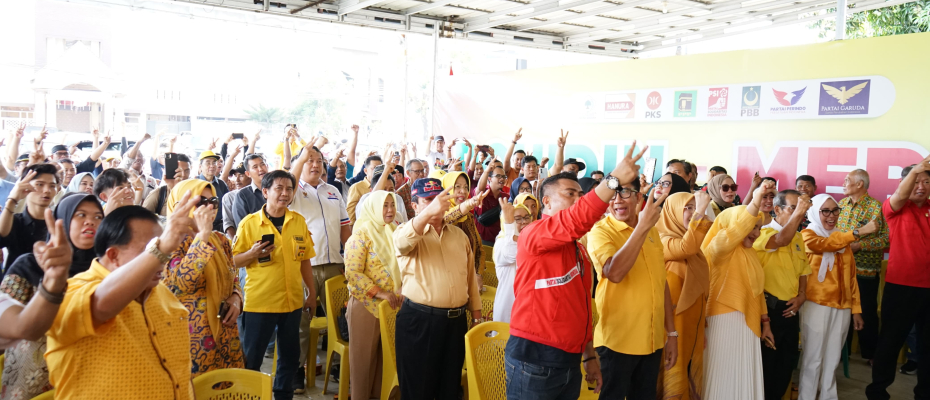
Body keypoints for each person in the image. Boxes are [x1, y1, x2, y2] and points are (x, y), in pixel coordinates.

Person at [505, 143, 646, 400]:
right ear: (545, 200)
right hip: (534, 359)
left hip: (569, 360)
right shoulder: (533, 233)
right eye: (570, 194)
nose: (578, 200)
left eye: (581, 194)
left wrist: (589, 355)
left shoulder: (577, 250)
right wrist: (613, 181)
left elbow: (582, 308)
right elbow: (577, 218)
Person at [46, 200, 198, 399]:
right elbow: (100, 306)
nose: (163, 259)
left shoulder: (164, 294)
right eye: (150, 248)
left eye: (163, 249)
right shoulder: (70, 291)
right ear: (113, 255)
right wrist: (159, 251)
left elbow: (181, 374)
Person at [0, 193, 102, 399]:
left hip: (89, 379)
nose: (90, 221)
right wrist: (53, 280)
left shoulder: (106, 268)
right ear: (60, 222)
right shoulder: (30, 265)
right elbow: (10, 326)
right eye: (80, 214)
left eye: (99, 217)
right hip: (33, 378)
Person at [393, 178, 483, 399]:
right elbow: (403, 244)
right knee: (418, 390)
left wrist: (477, 315)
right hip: (420, 322)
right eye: (428, 200)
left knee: (450, 389)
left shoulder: (459, 236)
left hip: (456, 323)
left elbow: (470, 278)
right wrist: (428, 214)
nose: (436, 205)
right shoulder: (405, 232)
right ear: (414, 205)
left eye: (439, 200)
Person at [587, 177, 675, 400]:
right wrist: (642, 228)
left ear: (639, 196)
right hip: (618, 341)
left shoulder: (652, 232)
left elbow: (660, 281)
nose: (617, 200)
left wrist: (671, 332)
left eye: (624, 192)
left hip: (652, 339)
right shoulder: (600, 231)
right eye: (612, 194)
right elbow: (614, 273)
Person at [232, 170, 316, 400]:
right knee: (253, 357)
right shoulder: (249, 224)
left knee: (289, 356)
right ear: (265, 192)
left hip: (292, 303)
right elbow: (234, 260)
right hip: (260, 303)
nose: (285, 193)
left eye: (289, 189)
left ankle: (283, 395)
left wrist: (312, 292)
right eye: (279, 188)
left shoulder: (297, 221)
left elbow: (305, 258)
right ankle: (250, 395)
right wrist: (252, 253)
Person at [700, 181, 776, 400]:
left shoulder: (749, 253)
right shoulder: (719, 246)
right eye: (752, 227)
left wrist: (766, 323)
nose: (756, 233)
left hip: (748, 322)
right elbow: (737, 229)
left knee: (742, 373)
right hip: (723, 320)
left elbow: (757, 291)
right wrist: (757, 197)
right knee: (723, 374)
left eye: (759, 228)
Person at [163, 180, 244, 377]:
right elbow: (182, 283)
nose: (209, 207)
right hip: (192, 337)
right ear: (180, 204)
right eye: (201, 202)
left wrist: (236, 298)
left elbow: (233, 277)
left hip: (225, 332)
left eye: (213, 201)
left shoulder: (222, 240)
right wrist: (202, 237)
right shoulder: (170, 242)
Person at [287, 144, 351, 392]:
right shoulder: (291, 190)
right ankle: (296, 371)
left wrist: (353, 260)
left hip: (335, 265)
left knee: (341, 319)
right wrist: (299, 161)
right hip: (305, 267)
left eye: (318, 160)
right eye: (308, 160)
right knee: (301, 322)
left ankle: (337, 366)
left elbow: (346, 229)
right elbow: (290, 182)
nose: (315, 165)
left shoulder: (332, 190)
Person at [867, 157, 930, 400]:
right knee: (890, 343)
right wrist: (916, 170)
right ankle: (878, 391)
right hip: (902, 287)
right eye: (916, 182)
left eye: (926, 182)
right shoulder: (895, 207)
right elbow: (901, 196)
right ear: (904, 183)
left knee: (927, 347)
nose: (921, 187)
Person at [799, 193, 873, 400]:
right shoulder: (807, 235)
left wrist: (856, 310)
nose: (831, 216)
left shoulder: (842, 238)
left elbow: (852, 279)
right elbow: (825, 245)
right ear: (815, 212)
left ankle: (828, 397)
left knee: (832, 358)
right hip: (816, 304)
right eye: (826, 211)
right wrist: (857, 232)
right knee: (813, 358)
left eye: (835, 210)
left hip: (842, 307)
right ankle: (807, 396)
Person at [752, 189, 812, 400]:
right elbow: (780, 241)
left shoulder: (798, 237)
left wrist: (803, 294)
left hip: (792, 309)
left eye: (801, 208)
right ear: (777, 210)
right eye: (793, 208)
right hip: (769, 311)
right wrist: (799, 214)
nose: (800, 213)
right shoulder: (764, 233)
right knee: (767, 366)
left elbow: (804, 269)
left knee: (787, 364)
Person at [344, 191, 402, 400]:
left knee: (385, 362)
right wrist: (381, 293)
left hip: (392, 307)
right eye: (384, 205)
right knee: (363, 364)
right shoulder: (360, 236)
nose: (389, 210)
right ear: (373, 208)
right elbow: (353, 273)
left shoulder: (395, 231)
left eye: (391, 205)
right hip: (366, 306)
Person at [656, 191, 713, 400]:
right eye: (686, 208)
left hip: (692, 327)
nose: (691, 212)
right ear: (672, 212)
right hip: (672, 329)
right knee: (673, 375)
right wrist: (700, 211)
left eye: (694, 207)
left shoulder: (696, 251)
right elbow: (685, 248)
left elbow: (701, 293)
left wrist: (702, 327)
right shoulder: (661, 239)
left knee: (689, 375)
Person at [836, 169, 889, 362]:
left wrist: (861, 245)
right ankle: (843, 353)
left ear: (859, 184)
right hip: (840, 269)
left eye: (847, 180)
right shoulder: (841, 205)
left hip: (864, 270)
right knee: (842, 311)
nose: (843, 183)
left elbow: (887, 239)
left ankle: (870, 354)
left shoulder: (876, 207)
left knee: (866, 311)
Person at [1, 164, 59, 275]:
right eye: (40, 184)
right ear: (25, 187)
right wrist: (12, 200)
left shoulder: (60, 221)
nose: (47, 190)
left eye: (52, 186)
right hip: (15, 284)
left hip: (51, 284)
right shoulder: (14, 221)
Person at [492, 198, 534, 323]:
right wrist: (510, 223)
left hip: (530, 307)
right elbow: (512, 253)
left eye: (527, 217)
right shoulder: (502, 242)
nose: (524, 222)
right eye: (518, 219)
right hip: (509, 308)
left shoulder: (532, 242)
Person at [441, 171, 489, 280]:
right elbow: (446, 220)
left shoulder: (468, 218)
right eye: (457, 186)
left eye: (466, 187)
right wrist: (468, 204)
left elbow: (479, 250)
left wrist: (478, 274)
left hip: (469, 281)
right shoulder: (437, 217)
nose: (463, 191)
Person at [473, 162, 510, 244]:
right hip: (481, 241)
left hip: (499, 241)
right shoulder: (483, 194)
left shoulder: (506, 197)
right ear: (489, 178)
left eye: (504, 177)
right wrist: (486, 171)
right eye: (498, 176)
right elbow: (479, 189)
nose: (502, 179)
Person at [231, 153, 270, 229]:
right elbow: (242, 226)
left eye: (262, 164)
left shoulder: (276, 190)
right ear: (248, 174)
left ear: (267, 166)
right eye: (255, 167)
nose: (260, 169)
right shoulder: (242, 195)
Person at [197, 150, 230, 231]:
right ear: (200, 166)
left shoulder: (221, 184)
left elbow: (228, 205)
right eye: (208, 163)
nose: (212, 166)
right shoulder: (194, 183)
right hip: (200, 227)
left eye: (214, 162)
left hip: (221, 227)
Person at [346, 155, 383, 224]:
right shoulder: (357, 187)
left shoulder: (385, 186)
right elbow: (351, 213)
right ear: (366, 171)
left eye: (380, 169)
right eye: (374, 168)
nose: (378, 171)